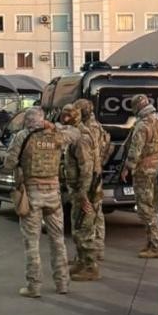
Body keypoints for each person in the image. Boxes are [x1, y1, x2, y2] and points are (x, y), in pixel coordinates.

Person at [4, 107, 70, 298]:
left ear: (27, 121)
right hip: (53, 193)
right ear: (43, 119)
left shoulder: (22, 137)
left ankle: (34, 286)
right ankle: (62, 283)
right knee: (58, 240)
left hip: (32, 193)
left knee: (32, 242)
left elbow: (9, 163)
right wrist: (54, 126)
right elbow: (75, 134)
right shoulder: (56, 135)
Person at [119, 94, 158, 258]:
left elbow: (135, 150)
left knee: (145, 208)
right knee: (153, 207)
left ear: (137, 107)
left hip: (144, 169)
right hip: (157, 165)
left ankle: (157, 246)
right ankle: (151, 242)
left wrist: (127, 168)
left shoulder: (142, 125)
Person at [59, 105, 100, 281]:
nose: (64, 119)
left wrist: (84, 195)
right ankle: (82, 261)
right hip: (78, 190)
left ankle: (90, 267)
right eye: (63, 115)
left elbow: (86, 169)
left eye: (67, 116)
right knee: (77, 227)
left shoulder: (81, 138)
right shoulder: (75, 134)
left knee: (84, 229)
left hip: (85, 191)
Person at [76, 98, 110, 263]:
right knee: (97, 212)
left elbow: (89, 155)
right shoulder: (97, 126)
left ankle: (90, 253)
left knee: (89, 214)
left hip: (90, 174)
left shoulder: (89, 128)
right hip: (96, 172)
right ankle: (98, 250)